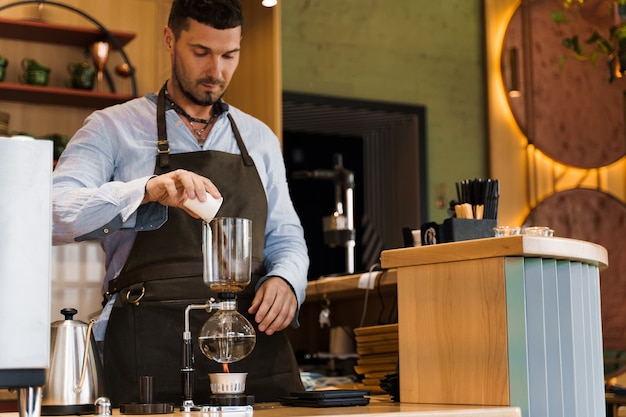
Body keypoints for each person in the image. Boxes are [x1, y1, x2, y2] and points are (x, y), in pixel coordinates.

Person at [51, 0, 309, 406]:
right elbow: (54, 211)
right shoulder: (111, 127)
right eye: (201, 52)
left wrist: (287, 280)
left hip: (248, 340)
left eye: (230, 55)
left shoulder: (259, 138)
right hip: (147, 339)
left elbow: (286, 234)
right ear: (170, 40)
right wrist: (147, 190)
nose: (216, 71)